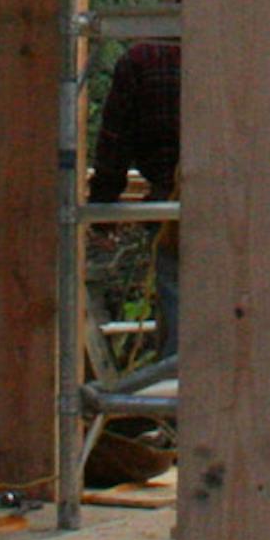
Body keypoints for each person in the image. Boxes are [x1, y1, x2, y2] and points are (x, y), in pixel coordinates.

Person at [88, 37, 181, 350]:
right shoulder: (240, 52)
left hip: (171, 213)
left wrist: (102, 213)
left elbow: (114, 144)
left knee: (180, 324)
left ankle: (177, 372)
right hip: (239, 210)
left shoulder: (143, 61)